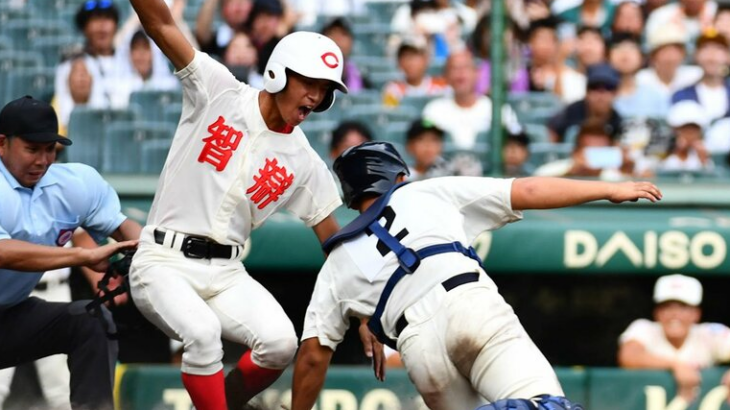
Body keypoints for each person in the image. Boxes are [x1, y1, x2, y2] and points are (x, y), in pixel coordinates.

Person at [292, 141, 662, 410]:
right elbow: (528, 189)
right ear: (400, 176)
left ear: (352, 198)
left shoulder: (336, 261)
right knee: (547, 406)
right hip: (466, 303)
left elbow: (311, 356)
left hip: (416, 346)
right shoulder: (424, 191)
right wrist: (610, 189)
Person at [127, 1, 349, 409]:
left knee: (280, 343)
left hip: (227, 271)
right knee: (203, 334)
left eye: (326, 90)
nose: (316, 97)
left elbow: (333, 239)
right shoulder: (219, 90)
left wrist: (367, 309)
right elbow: (160, 23)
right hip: (163, 260)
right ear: (279, 71)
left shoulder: (304, 160)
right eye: (310, 83)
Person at [0, 95, 140, 410]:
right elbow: (4, 252)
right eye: (32, 149)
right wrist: (83, 257)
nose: (42, 160)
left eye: (50, 149)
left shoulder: (72, 183)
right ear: (2, 144)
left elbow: (124, 228)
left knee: (90, 320)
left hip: (10, 315)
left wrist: (149, 254)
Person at [618, 274, 730, 404]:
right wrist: (676, 365)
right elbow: (628, 356)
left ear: (696, 314)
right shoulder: (644, 328)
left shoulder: (709, 333)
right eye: (667, 306)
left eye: (683, 307)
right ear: (657, 312)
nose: (674, 314)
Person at [423, 49, 521, 150]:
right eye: (454, 68)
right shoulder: (433, 110)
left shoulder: (498, 109)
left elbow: (515, 144)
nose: (460, 73)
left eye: (465, 67)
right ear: (445, 76)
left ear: (477, 73)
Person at [547, 63, 623, 143]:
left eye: (608, 87)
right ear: (587, 92)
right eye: (594, 87)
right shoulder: (572, 112)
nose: (601, 94)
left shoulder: (617, 120)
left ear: (616, 93)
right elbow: (552, 134)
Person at [671, 28, 730, 122]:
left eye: (718, 48)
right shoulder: (682, 95)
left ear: (728, 56)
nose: (711, 54)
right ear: (696, 55)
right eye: (705, 48)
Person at [382, 35, 448, 107]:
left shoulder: (441, 87)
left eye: (415, 56)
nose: (411, 62)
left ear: (426, 59)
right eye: (406, 56)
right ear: (399, 62)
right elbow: (391, 114)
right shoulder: (392, 89)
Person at [658, 100, 714, 173]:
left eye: (694, 130)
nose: (690, 134)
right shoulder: (663, 152)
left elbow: (710, 178)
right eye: (684, 130)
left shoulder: (704, 151)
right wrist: (676, 151)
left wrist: (703, 158)